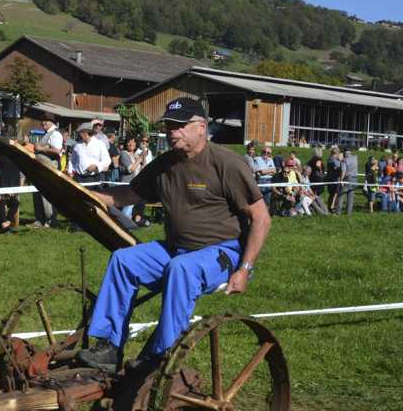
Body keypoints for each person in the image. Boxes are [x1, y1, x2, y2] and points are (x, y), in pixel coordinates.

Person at [75, 98, 270, 373]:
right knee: (123, 260)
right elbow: (127, 194)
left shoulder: (227, 164)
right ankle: (109, 347)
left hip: (222, 252)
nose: (172, 131)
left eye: (180, 126)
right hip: (177, 248)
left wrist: (245, 269)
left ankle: (160, 355)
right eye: (169, 125)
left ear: (201, 127)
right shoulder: (164, 165)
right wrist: (86, 195)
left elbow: (261, 217)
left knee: (181, 269)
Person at [335, 149, 358, 215]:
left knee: (341, 195)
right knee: (351, 197)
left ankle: (338, 212)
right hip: (355, 179)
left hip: (347, 179)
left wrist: (341, 180)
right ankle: (349, 213)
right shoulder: (355, 158)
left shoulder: (344, 161)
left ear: (344, 154)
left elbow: (343, 172)